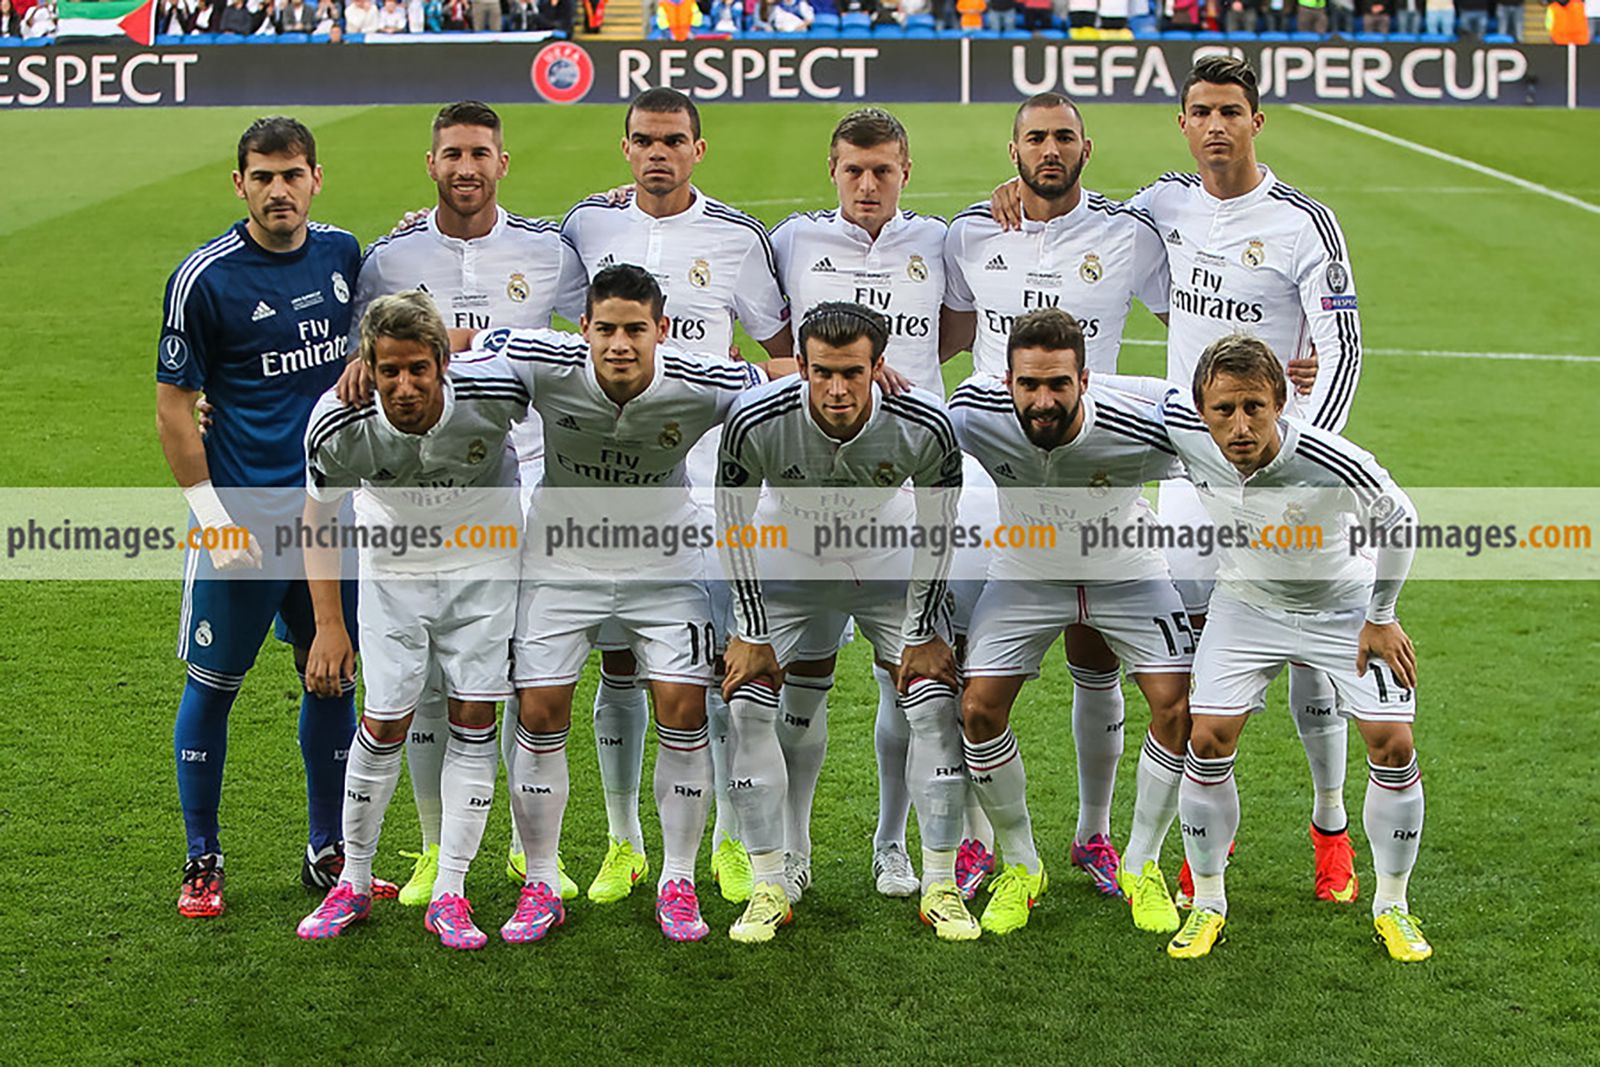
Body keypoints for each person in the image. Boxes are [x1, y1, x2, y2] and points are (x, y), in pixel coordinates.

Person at [473, 265, 768, 945]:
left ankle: (678, 879)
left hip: (665, 568)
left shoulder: (702, 378)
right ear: (583, 329)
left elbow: (782, 392)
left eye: (636, 329)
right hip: (560, 565)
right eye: (605, 328)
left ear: (661, 331)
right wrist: (367, 372)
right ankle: (541, 880)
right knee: (539, 710)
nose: (619, 344)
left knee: (685, 707)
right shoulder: (542, 360)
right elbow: (454, 363)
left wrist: (878, 384)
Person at [340, 101, 587, 907]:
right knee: (429, 691)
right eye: (452, 154)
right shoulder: (391, 256)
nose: (466, 167)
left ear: (502, 163)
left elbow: (591, 334)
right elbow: (364, 362)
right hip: (421, 496)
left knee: (518, 672)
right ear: (431, 163)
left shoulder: (550, 250)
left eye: (480, 152)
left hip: (524, 490)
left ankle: (527, 846)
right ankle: (431, 848)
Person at [559, 87, 792, 911]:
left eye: (673, 140)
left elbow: (780, 350)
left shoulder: (737, 236)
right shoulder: (586, 227)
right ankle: (623, 840)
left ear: (700, 147)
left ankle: (727, 840)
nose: (658, 152)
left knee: (723, 672)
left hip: (716, 491)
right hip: (614, 490)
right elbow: (549, 323)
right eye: (643, 140)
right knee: (618, 667)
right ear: (626, 148)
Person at [950, 92, 1173, 901]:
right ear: (1012, 150)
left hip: (1098, 455)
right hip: (993, 473)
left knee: (1096, 660)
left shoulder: (1128, 232)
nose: (1050, 149)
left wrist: (1262, 369)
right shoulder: (969, 230)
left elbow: (1194, 307)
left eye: (1064, 137)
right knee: (961, 669)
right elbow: (940, 328)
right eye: (1036, 138)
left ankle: (1093, 833)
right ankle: (982, 843)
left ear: (1088, 146)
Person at [1150, 335, 1429, 964]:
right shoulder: (1186, 435)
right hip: (1246, 605)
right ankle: (1208, 904)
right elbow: (1112, 396)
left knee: (1394, 743)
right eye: (1224, 410)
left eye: (1255, 407)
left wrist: (1380, 617)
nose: (1240, 425)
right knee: (1207, 739)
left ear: (1281, 402)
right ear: (1201, 410)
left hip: (1341, 609)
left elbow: (1401, 518)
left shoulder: (1330, 457)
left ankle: (1393, 905)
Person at [156, 117, 364, 918]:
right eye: (263, 175)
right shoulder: (204, 278)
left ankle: (328, 846)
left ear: (317, 178)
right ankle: (202, 854)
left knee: (331, 671)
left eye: (293, 174)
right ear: (238, 183)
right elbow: (175, 408)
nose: (279, 189)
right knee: (213, 686)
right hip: (242, 523)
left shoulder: (345, 255)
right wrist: (210, 515)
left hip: (329, 516)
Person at [717, 302, 972, 943]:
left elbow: (939, 528)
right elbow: (732, 521)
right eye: (822, 372)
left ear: (878, 367)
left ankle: (939, 882)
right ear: (799, 366)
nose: (836, 389)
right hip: (791, 559)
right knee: (747, 706)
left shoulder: (925, 426)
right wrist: (750, 629)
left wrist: (921, 632)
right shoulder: (756, 420)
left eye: (852, 373)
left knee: (934, 701)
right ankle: (770, 881)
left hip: (885, 561)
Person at [767, 108, 970, 903]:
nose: (867, 183)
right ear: (832, 170)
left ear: (906, 172)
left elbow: (960, 325)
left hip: (907, 490)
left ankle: (893, 846)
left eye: (883, 169)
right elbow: (772, 336)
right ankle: (793, 847)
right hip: (810, 493)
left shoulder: (940, 240)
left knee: (909, 680)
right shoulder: (791, 241)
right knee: (801, 680)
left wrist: (895, 372)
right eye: (853, 168)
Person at [948, 309, 1196, 937]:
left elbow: (1218, 435)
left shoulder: (1138, 427)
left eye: (1058, 383)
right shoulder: (975, 412)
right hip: (1026, 573)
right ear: (1007, 380)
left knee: (1177, 708)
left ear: (1085, 379)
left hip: (1127, 571)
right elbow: (911, 431)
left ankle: (1140, 863)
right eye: (1030, 384)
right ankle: (1022, 864)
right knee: (978, 709)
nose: (1043, 399)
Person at [295, 292, 528, 949]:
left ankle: (451, 890)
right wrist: (328, 624)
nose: (404, 385)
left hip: (483, 561)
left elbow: (555, 364)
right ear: (365, 364)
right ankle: (356, 881)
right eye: (388, 369)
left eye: (418, 369)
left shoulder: (492, 387)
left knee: (475, 716)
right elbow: (318, 519)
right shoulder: (335, 422)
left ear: (443, 364)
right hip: (393, 567)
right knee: (385, 717)